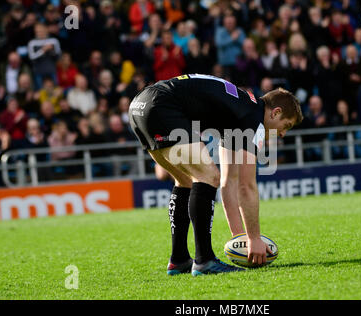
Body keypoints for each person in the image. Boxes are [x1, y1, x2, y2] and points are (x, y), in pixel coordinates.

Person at [129, 74, 302, 276]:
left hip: (140, 106)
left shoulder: (241, 110)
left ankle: (179, 260)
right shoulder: (254, 121)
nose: (283, 134)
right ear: (276, 112)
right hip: (162, 106)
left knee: (185, 181)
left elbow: (230, 183)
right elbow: (247, 186)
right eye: (286, 125)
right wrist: (254, 239)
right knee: (208, 176)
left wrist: (240, 239)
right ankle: (204, 261)